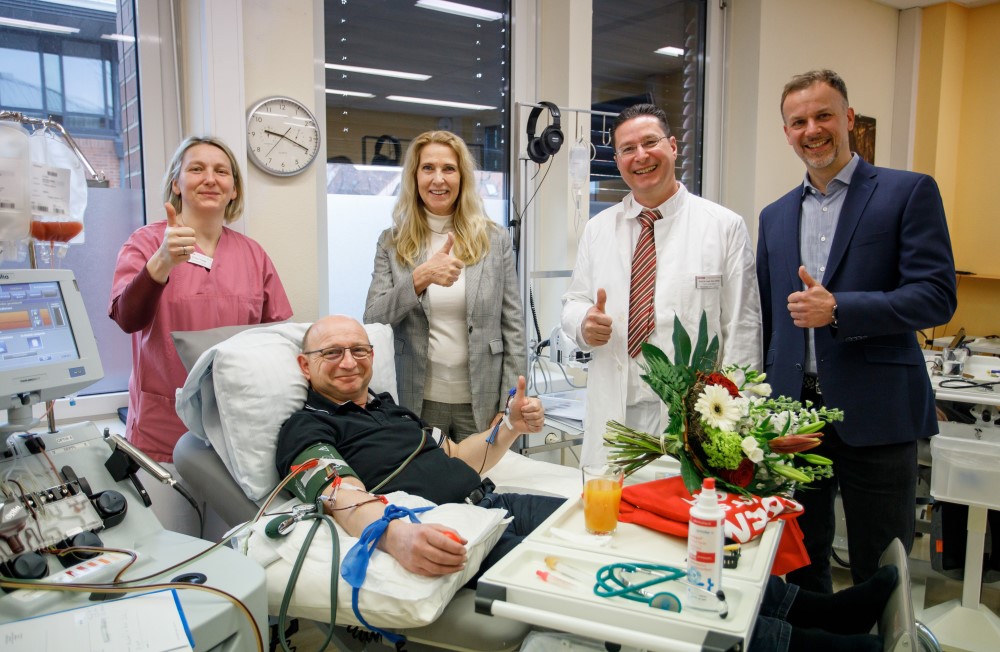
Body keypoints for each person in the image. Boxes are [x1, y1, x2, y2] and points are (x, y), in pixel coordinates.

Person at [756, 70, 957, 592]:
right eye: (798, 121)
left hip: (878, 412)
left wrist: (840, 308)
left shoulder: (906, 192)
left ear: (848, 119)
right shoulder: (774, 217)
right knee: (798, 561)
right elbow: (770, 320)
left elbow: (936, 295)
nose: (812, 129)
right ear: (786, 133)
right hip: (797, 416)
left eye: (823, 115)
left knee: (880, 565)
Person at [274, 315, 559, 577]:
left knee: (591, 524)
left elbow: (459, 455)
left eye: (358, 350)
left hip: (495, 505)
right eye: (332, 352)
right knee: (565, 569)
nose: (349, 362)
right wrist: (395, 536)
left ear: (372, 356)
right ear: (305, 365)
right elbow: (341, 495)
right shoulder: (305, 428)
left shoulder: (391, 409)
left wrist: (510, 426)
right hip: (452, 530)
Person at [109, 135, 292, 536]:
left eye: (221, 171)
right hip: (164, 438)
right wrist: (161, 262)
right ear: (176, 183)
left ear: (234, 188)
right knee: (171, 560)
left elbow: (277, 338)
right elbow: (126, 318)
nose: (209, 179)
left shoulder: (252, 254)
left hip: (234, 438)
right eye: (196, 169)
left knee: (231, 559)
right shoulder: (145, 243)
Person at [561, 104, 761, 468]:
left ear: (672, 146)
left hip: (691, 419)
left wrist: (734, 418)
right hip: (613, 412)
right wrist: (583, 323)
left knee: (682, 519)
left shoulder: (723, 227)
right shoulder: (598, 229)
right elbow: (574, 301)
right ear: (617, 159)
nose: (640, 156)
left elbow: (742, 329)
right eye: (627, 149)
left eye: (650, 142)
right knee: (609, 518)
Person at [364, 131, 526, 442]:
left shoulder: (495, 240)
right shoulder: (391, 242)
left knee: (484, 484)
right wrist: (419, 278)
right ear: (415, 176)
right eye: (428, 168)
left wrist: (510, 401)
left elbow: (513, 328)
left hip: (481, 400)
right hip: (418, 400)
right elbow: (373, 319)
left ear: (462, 177)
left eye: (449, 169)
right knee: (424, 486)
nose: (439, 179)